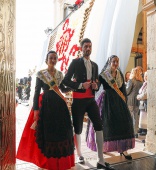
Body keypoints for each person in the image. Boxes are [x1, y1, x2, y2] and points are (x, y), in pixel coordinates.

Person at [16, 51, 75, 170]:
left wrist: (73, 85)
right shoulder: (41, 74)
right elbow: (37, 91)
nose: (53, 60)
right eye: (51, 58)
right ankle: (47, 162)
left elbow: (62, 89)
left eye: (55, 58)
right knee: (48, 132)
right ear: (46, 60)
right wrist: (36, 110)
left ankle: (59, 162)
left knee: (61, 132)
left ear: (57, 60)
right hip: (46, 105)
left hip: (59, 106)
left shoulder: (59, 74)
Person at [63, 38, 114, 170]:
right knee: (78, 128)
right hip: (78, 100)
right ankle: (79, 155)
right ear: (81, 48)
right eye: (85, 46)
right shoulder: (75, 63)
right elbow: (66, 81)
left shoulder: (95, 65)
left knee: (99, 125)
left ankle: (100, 160)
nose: (88, 48)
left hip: (91, 100)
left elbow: (96, 85)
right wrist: (80, 85)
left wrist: (96, 86)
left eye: (90, 46)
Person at [86, 55, 135, 160]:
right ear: (109, 62)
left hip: (119, 102)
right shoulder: (104, 75)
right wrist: (94, 85)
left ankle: (123, 149)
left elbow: (122, 89)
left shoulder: (120, 74)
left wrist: (124, 101)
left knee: (124, 124)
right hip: (107, 101)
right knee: (107, 124)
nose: (116, 64)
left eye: (117, 61)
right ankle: (104, 147)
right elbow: (98, 86)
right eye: (113, 61)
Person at [126, 68, 143, 138]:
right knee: (136, 117)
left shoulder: (131, 80)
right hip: (137, 101)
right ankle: (135, 132)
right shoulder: (141, 82)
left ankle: (129, 132)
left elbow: (127, 91)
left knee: (129, 117)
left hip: (130, 100)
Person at [137, 71, 147, 136]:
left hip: (146, 103)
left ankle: (146, 133)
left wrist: (139, 97)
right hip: (142, 103)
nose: (146, 77)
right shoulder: (144, 83)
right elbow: (141, 91)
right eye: (145, 76)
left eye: (147, 76)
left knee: (146, 119)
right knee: (142, 118)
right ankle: (144, 130)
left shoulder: (149, 84)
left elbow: (145, 94)